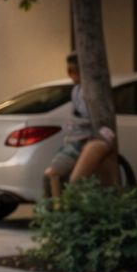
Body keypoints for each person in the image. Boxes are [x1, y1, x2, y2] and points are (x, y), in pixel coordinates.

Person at [44, 51, 118, 198]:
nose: (71, 74)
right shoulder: (76, 91)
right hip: (77, 140)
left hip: (96, 139)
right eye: (71, 71)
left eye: (74, 71)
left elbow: (104, 122)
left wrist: (97, 138)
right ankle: (57, 211)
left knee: (76, 182)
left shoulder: (96, 90)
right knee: (51, 176)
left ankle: (69, 211)